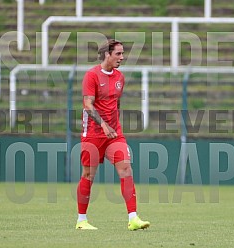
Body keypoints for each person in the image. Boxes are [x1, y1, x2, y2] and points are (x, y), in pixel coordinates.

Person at [75, 39, 150, 231]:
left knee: (126, 169)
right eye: (118, 53)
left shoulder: (120, 77)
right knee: (88, 174)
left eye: (122, 53)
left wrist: (113, 125)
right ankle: (81, 220)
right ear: (107, 54)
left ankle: (133, 218)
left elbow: (116, 103)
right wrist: (103, 124)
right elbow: (87, 104)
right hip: (92, 133)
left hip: (114, 135)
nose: (122, 57)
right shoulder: (91, 75)